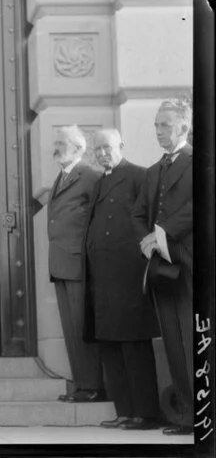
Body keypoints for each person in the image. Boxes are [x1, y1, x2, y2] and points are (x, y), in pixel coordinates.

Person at [84, 129, 160, 430]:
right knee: (110, 344)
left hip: (128, 273)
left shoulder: (139, 175)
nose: (102, 153)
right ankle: (125, 411)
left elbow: (151, 219)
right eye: (98, 149)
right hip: (101, 276)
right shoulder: (100, 181)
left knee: (133, 343)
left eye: (107, 147)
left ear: (121, 147)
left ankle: (147, 414)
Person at [131, 98, 193, 436]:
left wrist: (163, 235)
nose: (158, 132)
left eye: (165, 126)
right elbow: (139, 213)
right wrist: (146, 240)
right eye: (156, 126)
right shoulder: (153, 171)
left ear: (183, 127)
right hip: (160, 269)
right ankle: (186, 416)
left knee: (195, 340)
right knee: (172, 341)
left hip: (191, 265)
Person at [32, 125, 104, 402]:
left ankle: (94, 386)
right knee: (71, 328)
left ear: (78, 148)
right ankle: (84, 383)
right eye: (57, 142)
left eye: (61, 143)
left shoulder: (89, 176)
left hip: (79, 264)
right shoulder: (63, 176)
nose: (56, 147)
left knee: (82, 326)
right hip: (61, 263)